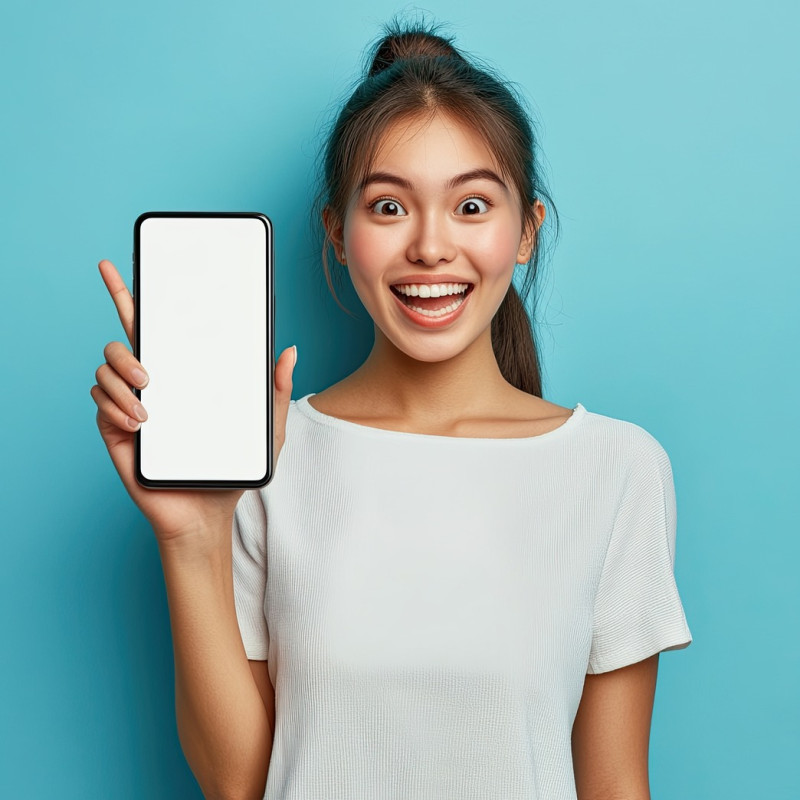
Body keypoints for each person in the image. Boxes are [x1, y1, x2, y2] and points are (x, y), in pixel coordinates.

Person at [91, 17, 693, 800]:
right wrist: (191, 536)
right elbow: (239, 783)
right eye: (388, 208)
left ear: (526, 234)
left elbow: (615, 783)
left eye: (472, 207)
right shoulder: (265, 457)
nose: (432, 248)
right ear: (337, 234)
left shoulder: (618, 469)